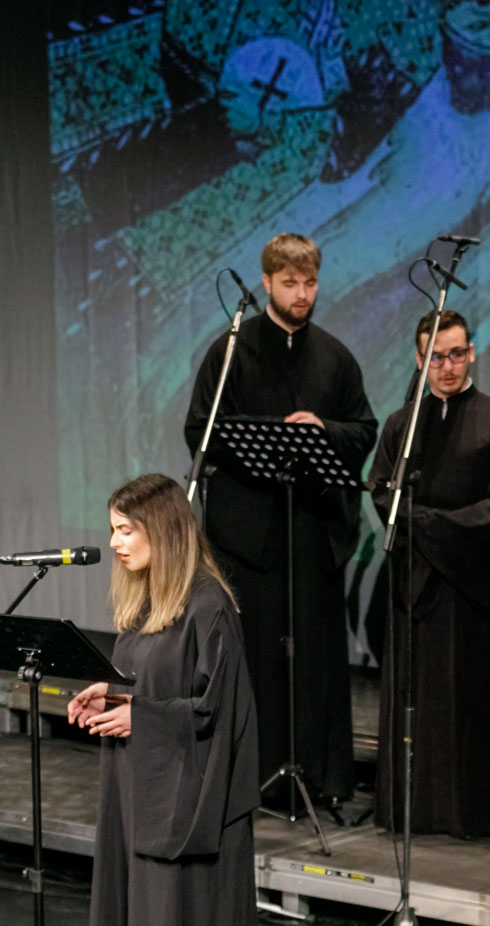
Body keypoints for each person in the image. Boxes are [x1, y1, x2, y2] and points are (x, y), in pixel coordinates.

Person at [69, 473, 266, 926]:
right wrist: (113, 694)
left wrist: (143, 715)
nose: (116, 543)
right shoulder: (148, 604)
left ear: (164, 530)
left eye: (127, 530)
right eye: (113, 529)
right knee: (139, 925)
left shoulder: (208, 604)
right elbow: (155, 686)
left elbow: (215, 710)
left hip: (189, 796)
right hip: (141, 787)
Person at [182, 233, 376, 812]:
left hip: (311, 531)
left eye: (310, 282)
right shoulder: (231, 350)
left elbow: (363, 430)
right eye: (290, 283)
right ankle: (250, 776)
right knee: (254, 658)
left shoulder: (336, 357)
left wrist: (322, 430)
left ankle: (319, 775)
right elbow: (200, 430)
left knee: (314, 661)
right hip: (250, 540)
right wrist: (263, 444)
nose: (301, 294)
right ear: (265, 283)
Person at [368, 310, 490, 837]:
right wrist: (428, 531)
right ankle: (411, 810)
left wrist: (439, 530)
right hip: (415, 588)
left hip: (473, 589)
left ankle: (473, 814)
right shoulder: (401, 424)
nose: (447, 366)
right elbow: (384, 493)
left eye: (457, 354)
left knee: (470, 708)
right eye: (436, 357)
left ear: (473, 353)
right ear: (419, 360)